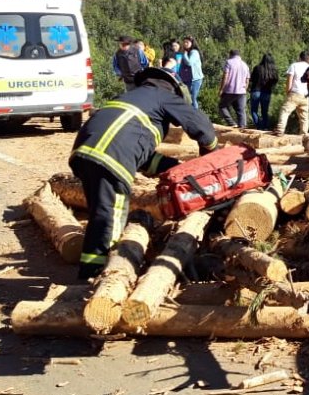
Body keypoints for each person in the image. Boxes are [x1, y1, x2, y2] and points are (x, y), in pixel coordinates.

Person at [69, 67, 218, 280]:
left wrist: (176, 168)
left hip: (84, 151)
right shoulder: (164, 95)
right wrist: (211, 157)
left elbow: (143, 156)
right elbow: (202, 126)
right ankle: (97, 278)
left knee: (100, 214)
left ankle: (89, 268)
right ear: (174, 88)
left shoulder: (136, 98)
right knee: (110, 218)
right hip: (111, 155)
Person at [273, 51, 309, 135]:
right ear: (308, 59)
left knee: (285, 111)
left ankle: (280, 129)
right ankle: (304, 134)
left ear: (299, 57)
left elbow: (289, 80)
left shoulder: (294, 65)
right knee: (304, 117)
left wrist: (288, 91)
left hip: (294, 93)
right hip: (305, 95)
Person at [218, 49, 250, 128]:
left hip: (230, 90)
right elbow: (247, 79)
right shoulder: (245, 64)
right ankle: (242, 127)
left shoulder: (229, 62)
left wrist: (221, 89)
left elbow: (225, 76)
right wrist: (245, 89)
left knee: (222, 106)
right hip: (241, 91)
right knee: (241, 110)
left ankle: (231, 123)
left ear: (230, 55)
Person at [248, 53, 279, 130]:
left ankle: (259, 126)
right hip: (267, 92)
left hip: (255, 91)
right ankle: (265, 127)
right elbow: (275, 81)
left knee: (254, 110)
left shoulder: (257, 68)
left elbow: (251, 79)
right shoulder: (273, 70)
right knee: (265, 111)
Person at [181, 36, 206, 108]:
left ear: (192, 43)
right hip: (188, 79)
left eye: (187, 42)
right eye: (184, 42)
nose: (185, 44)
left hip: (195, 79)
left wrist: (184, 54)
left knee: (192, 98)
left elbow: (189, 63)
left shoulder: (194, 52)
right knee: (188, 99)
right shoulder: (187, 52)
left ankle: (195, 115)